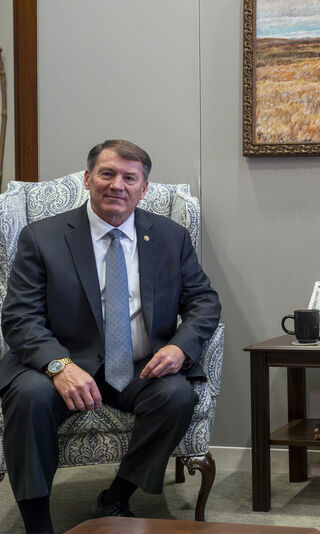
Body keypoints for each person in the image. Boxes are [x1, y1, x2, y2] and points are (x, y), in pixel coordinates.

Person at [0, 140, 221, 534]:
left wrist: (179, 347)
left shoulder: (170, 236)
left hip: (138, 366)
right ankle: (37, 524)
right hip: (61, 364)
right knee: (29, 398)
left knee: (177, 396)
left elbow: (204, 301)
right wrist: (59, 366)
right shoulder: (42, 236)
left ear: (143, 188)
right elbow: (20, 316)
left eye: (129, 178)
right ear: (88, 179)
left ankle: (116, 497)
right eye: (107, 173)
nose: (117, 185)